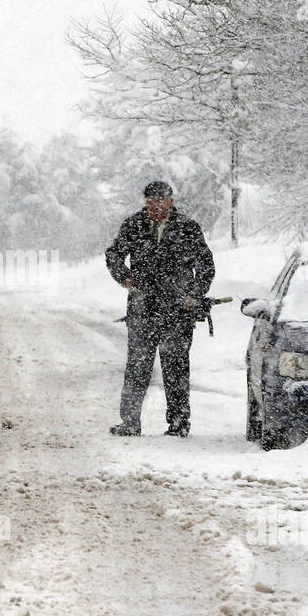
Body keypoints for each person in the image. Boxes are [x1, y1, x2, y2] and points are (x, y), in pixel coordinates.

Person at [105, 181, 215, 437]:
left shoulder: (187, 227)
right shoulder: (133, 225)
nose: (156, 206)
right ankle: (130, 422)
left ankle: (178, 423)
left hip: (177, 311)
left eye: (161, 200)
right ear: (145, 202)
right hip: (143, 307)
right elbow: (113, 254)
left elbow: (206, 266)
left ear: (171, 201)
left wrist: (194, 295)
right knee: (137, 366)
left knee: (176, 366)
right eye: (151, 201)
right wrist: (125, 277)